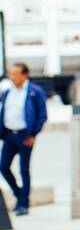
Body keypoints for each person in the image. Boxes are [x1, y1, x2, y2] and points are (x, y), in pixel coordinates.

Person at [0, 63, 48, 217]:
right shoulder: (7, 92)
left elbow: (42, 115)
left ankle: (23, 204)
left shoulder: (34, 92)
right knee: (3, 166)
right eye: (11, 74)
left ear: (25, 75)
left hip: (25, 136)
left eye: (16, 74)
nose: (13, 77)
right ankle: (19, 194)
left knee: (24, 169)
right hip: (9, 135)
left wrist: (33, 135)